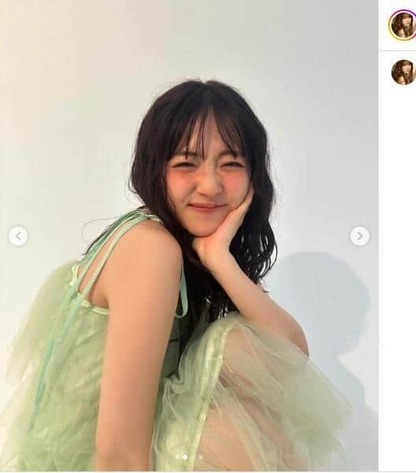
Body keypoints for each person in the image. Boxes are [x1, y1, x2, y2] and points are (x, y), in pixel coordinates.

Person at [0, 79, 350, 470]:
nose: (211, 185)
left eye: (231, 164)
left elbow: (287, 356)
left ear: (254, 177)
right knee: (227, 430)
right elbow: (117, 449)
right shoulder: (150, 248)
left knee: (239, 351)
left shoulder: (191, 250)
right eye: (186, 163)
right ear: (156, 171)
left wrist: (219, 259)